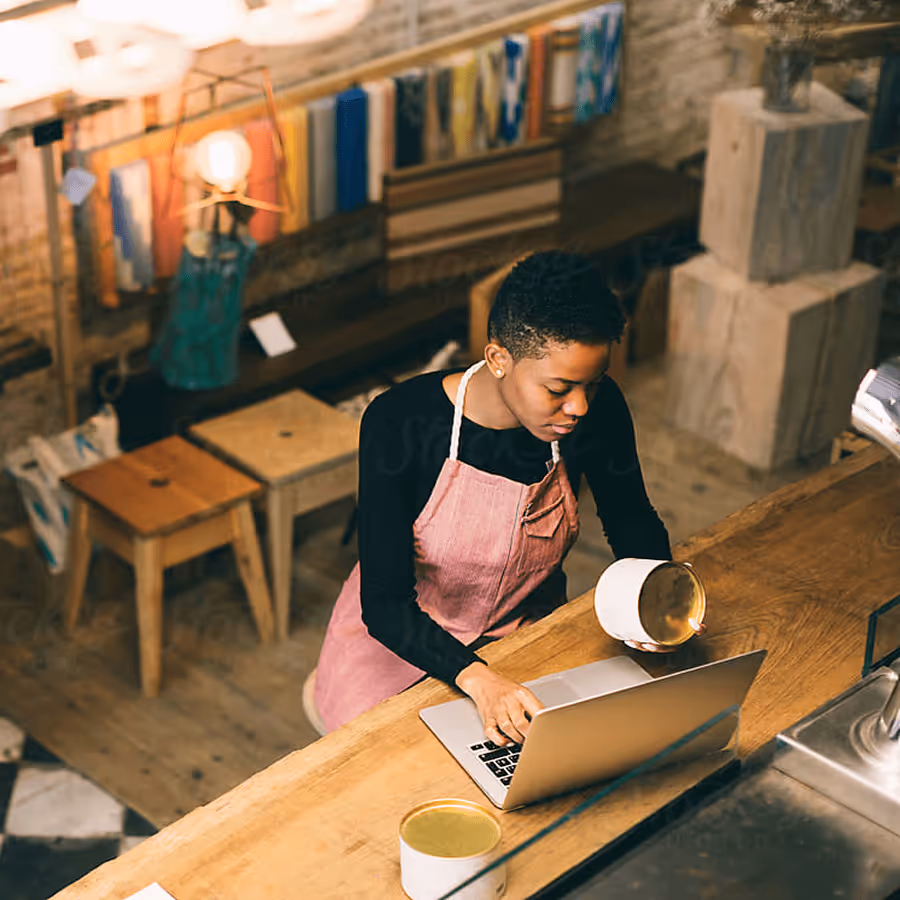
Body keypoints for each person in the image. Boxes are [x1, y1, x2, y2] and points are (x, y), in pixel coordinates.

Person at [314, 251, 681, 745]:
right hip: (402, 644)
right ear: (498, 359)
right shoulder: (399, 421)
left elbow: (631, 521)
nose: (579, 407)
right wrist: (479, 678)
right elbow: (383, 603)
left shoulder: (599, 410)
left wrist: (655, 597)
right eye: (558, 388)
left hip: (523, 629)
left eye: (592, 384)